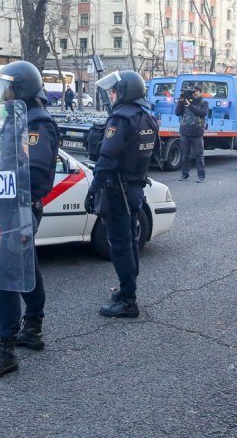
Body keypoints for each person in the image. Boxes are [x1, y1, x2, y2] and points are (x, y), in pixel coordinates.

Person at [0, 61, 60, 382]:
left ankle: (6, 350)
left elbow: (33, 174)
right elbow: (9, 162)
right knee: (26, 268)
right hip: (11, 207)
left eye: (7, 86)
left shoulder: (36, 123)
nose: (2, 92)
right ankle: (33, 329)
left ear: (20, 88)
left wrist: (1, 180)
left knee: (4, 280)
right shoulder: (17, 119)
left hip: (23, 209)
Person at [84, 70, 159, 318]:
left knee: (120, 246)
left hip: (119, 190)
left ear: (126, 91)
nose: (112, 95)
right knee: (129, 242)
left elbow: (107, 158)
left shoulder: (120, 119)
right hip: (136, 188)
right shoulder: (146, 117)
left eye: (115, 90)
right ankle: (128, 289)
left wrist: (93, 189)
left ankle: (128, 300)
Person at [175, 84, 208, 183]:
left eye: (196, 92)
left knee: (199, 156)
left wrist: (190, 105)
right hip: (185, 132)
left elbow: (203, 113)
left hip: (197, 133)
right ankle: (184, 175)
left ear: (200, 92)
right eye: (193, 92)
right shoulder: (185, 102)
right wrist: (181, 101)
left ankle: (201, 176)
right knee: (185, 155)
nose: (194, 94)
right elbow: (177, 112)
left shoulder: (203, 103)